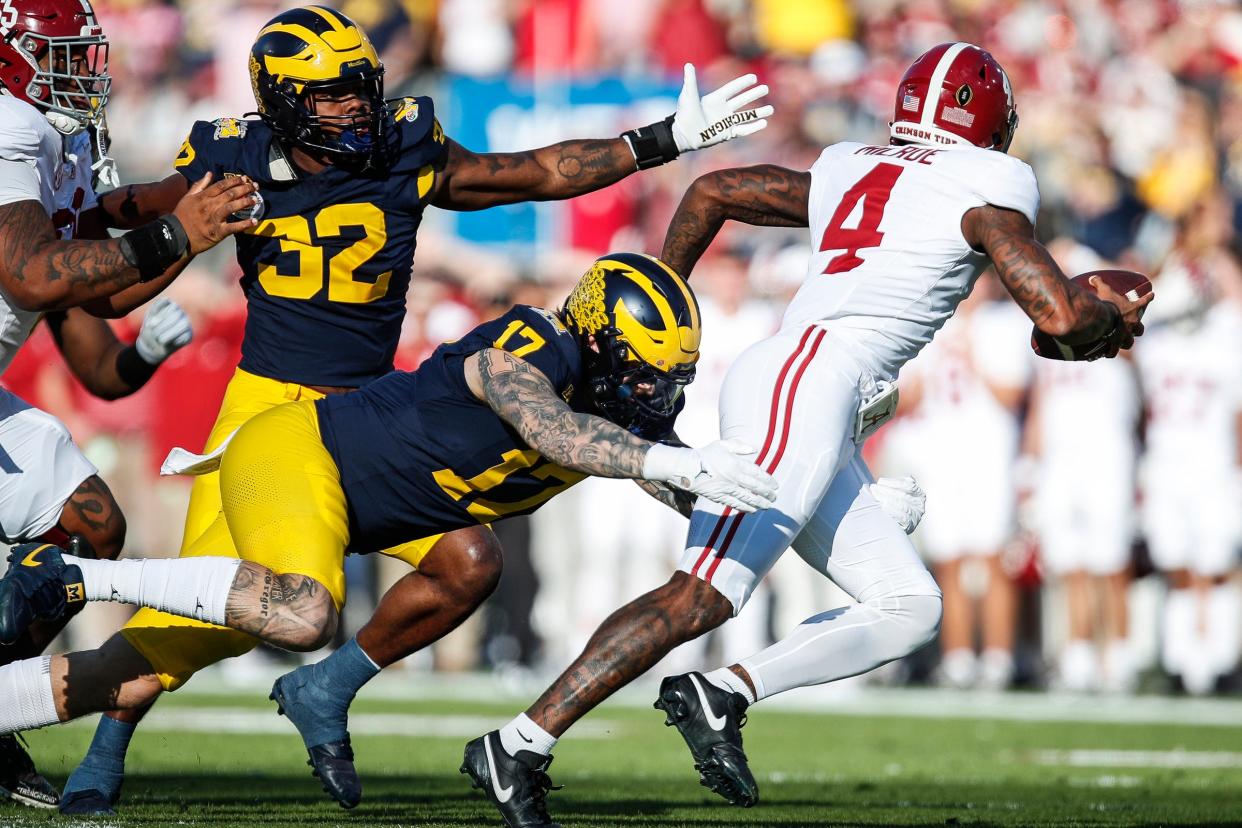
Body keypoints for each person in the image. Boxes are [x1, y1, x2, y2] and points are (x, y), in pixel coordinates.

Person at [66, 4, 775, 814]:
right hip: (268, 410)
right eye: (332, 96)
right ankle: (103, 736)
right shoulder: (233, 158)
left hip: (373, 412)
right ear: (284, 100)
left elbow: (532, 172)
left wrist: (657, 141)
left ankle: (325, 691)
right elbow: (127, 251)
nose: (356, 108)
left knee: (466, 562)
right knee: (222, 619)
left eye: (360, 89)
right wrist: (159, 229)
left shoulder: (404, 144)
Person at [463, 42, 1152, 828]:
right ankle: (517, 744)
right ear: (992, 123)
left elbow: (713, 190)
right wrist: (1106, 312)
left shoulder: (855, 163)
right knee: (703, 594)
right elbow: (1058, 319)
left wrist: (666, 293)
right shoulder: (995, 180)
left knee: (907, 605)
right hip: (808, 381)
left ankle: (723, 692)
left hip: (808, 386)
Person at [0, 253, 778, 795]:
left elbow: (696, 487)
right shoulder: (534, 343)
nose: (651, 392)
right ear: (599, 339)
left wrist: (804, 485)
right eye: (642, 370)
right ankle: (73, 577)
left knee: (473, 562)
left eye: (665, 378)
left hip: (376, 506)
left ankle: (319, 692)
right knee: (301, 611)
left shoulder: (617, 399)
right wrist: (672, 463)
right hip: (297, 453)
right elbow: (553, 430)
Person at [0, 0, 252, 806]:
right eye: (61, 53)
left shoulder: (55, 136)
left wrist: (200, 204)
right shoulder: (8, 125)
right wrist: (179, 232)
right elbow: (35, 276)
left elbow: (97, 310)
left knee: (90, 523)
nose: (83, 70)